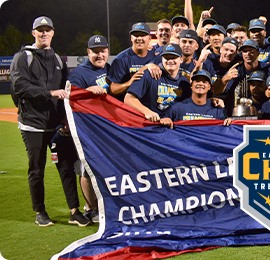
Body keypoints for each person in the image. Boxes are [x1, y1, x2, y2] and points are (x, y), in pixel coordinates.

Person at [10, 16, 90, 226]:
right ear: (33, 33)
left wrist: (64, 118)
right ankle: (40, 212)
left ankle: (74, 211)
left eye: (47, 30)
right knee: (37, 168)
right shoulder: (23, 57)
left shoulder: (57, 60)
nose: (44, 33)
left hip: (55, 125)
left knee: (66, 167)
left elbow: (66, 91)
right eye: (40, 30)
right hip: (32, 125)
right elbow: (19, 87)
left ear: (53, 33)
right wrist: (49, 92)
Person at [65, 35, 112, 222]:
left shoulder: (109, 69)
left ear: (108, 52)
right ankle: (90, 208)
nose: (99, 55)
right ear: (88, 52)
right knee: (87, 168)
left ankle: (101, 205)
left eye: (103, 51)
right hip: (89, 130)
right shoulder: (79, 73)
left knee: (104, 167)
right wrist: (87, 92)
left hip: (107, 128)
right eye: (95, 51)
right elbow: (69, 99)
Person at [125, 44, 191, 122]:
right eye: (166, 58)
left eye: (173, 57)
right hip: (148, 125)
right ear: (162, 59)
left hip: (173, 128)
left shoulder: (185, 83)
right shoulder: (149, 75)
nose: (170, 60)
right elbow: (128, 99)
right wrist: (147, 112)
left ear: (181, 60)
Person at [107, 22, 161, 102]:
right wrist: (129, 83)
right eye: (136, 35)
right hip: (128, 107)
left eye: (142, 35)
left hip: (149, 106)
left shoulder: (154, 57)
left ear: (149, 38)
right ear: (131, 38)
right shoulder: (121, 59)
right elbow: (112, 90)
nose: (139, 38)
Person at [161, 70, 227, 127]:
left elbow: (224, 130)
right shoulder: (177, 108)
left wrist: (230, 122)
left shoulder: (217, 111)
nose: (200, 84)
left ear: (209, 87)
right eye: (197, 81)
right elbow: (161, 120)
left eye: (204, 82)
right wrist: (164, 120)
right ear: (191, 85)